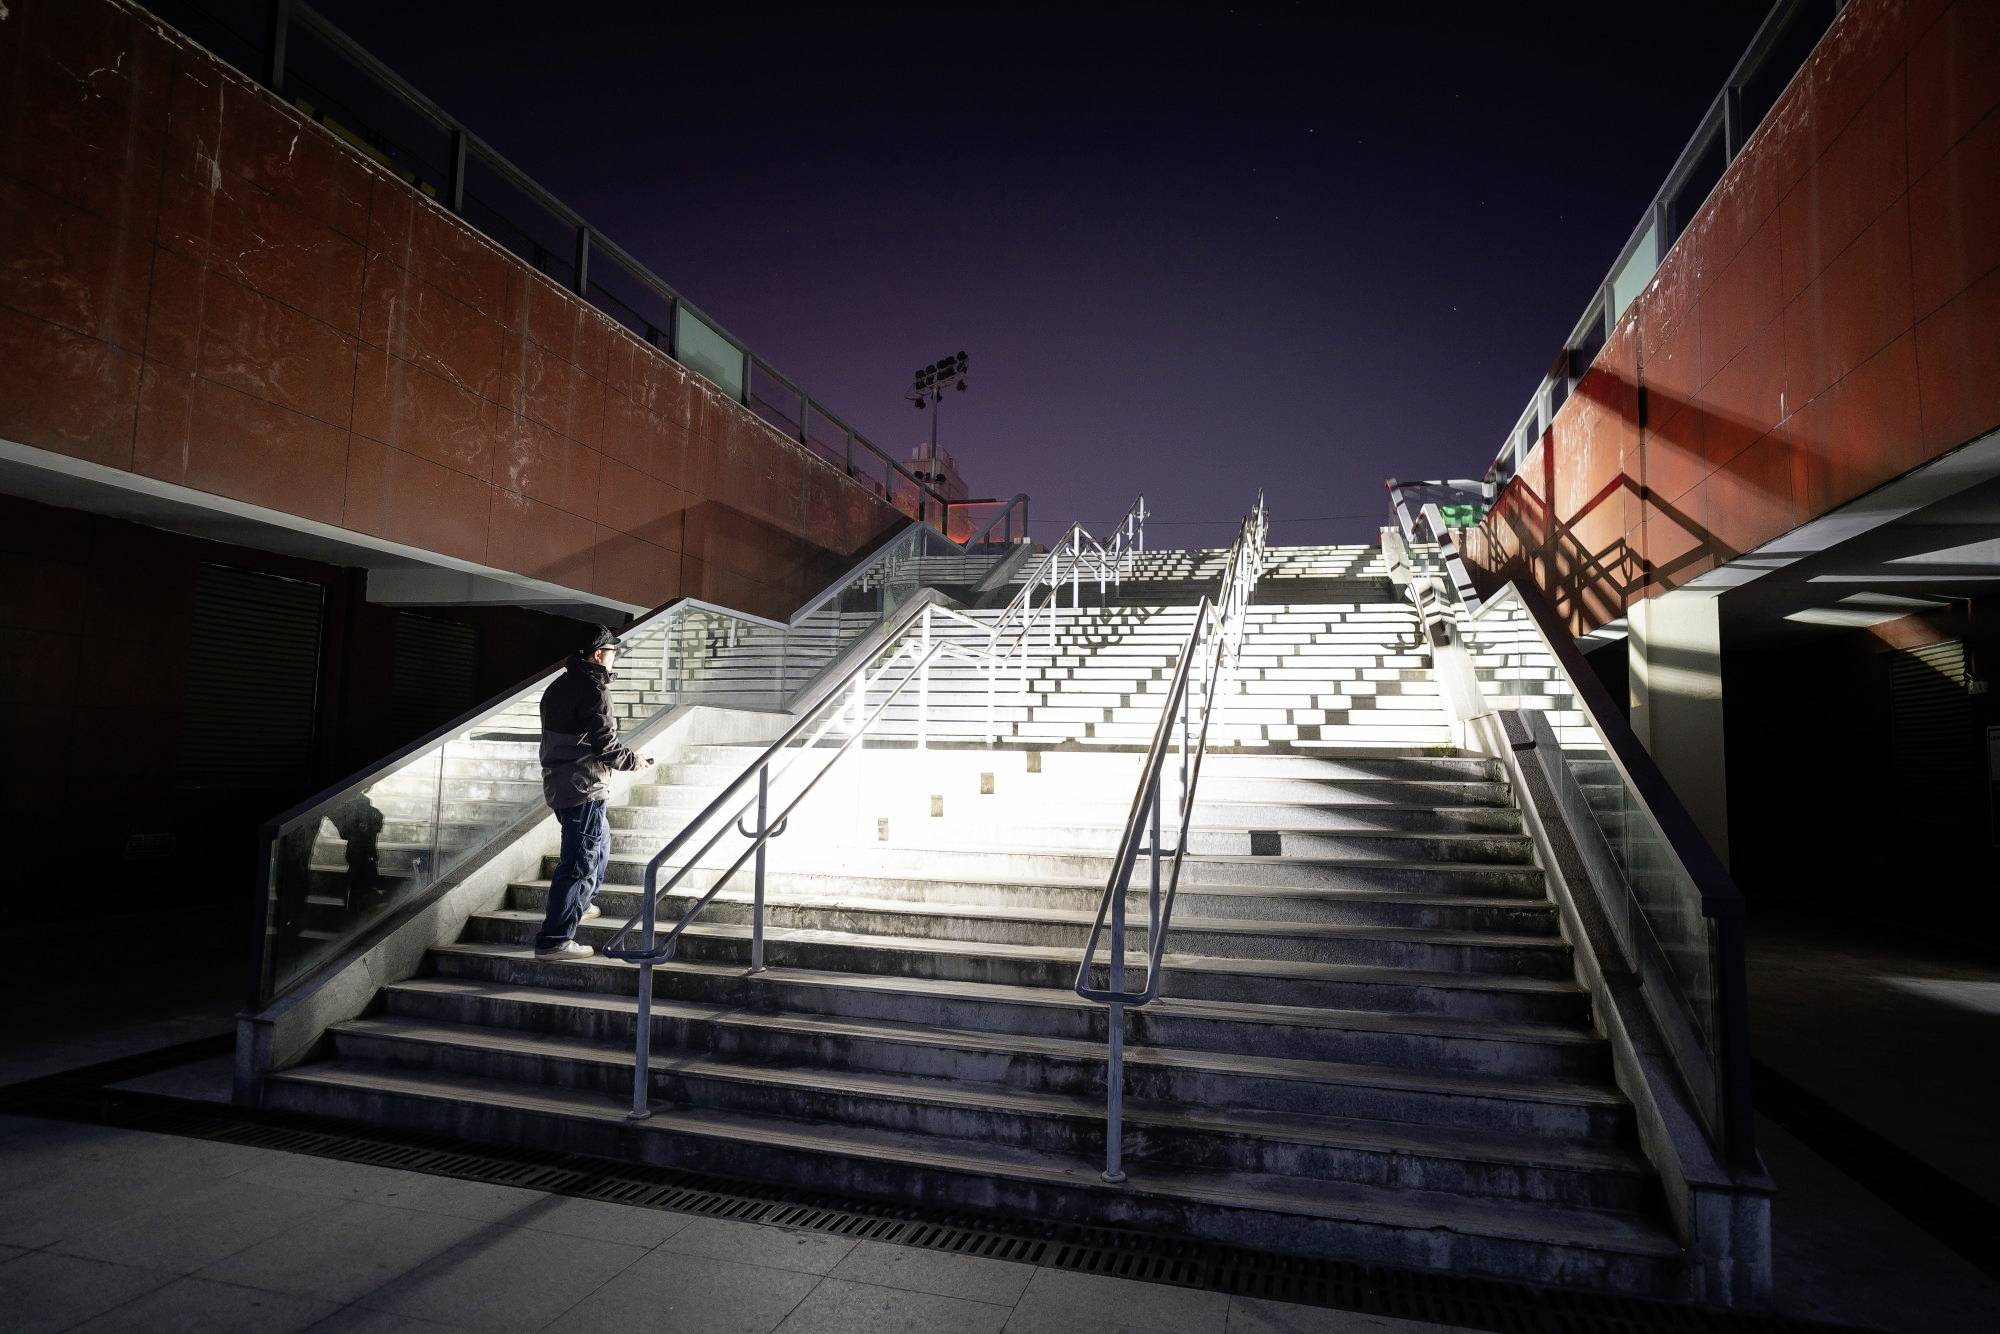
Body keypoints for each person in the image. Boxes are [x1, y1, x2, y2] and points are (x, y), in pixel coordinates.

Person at [535, 625, 654, 960]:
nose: (615, 657)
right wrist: (635, 761)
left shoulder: (559, 686)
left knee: (599, 845)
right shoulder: (593, 689)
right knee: (580, 861)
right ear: (599, 653)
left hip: (563, 782)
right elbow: (606, 746)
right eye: (612, 651)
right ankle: (555, 939)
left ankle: (580, 903)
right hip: (583, 786)